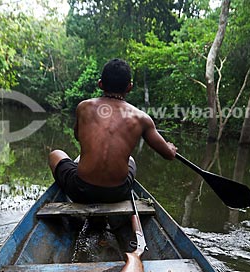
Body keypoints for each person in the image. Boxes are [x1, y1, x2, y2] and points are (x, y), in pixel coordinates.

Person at [48, 58, 177, 203]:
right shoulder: (142, 118)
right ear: (129, 87)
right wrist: (170, 148)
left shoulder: (84, 107)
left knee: (56, 154)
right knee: (131, 160)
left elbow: (78, 136)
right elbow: (169, 155)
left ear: (100, 84)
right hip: (117, 194)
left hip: (81, 189)